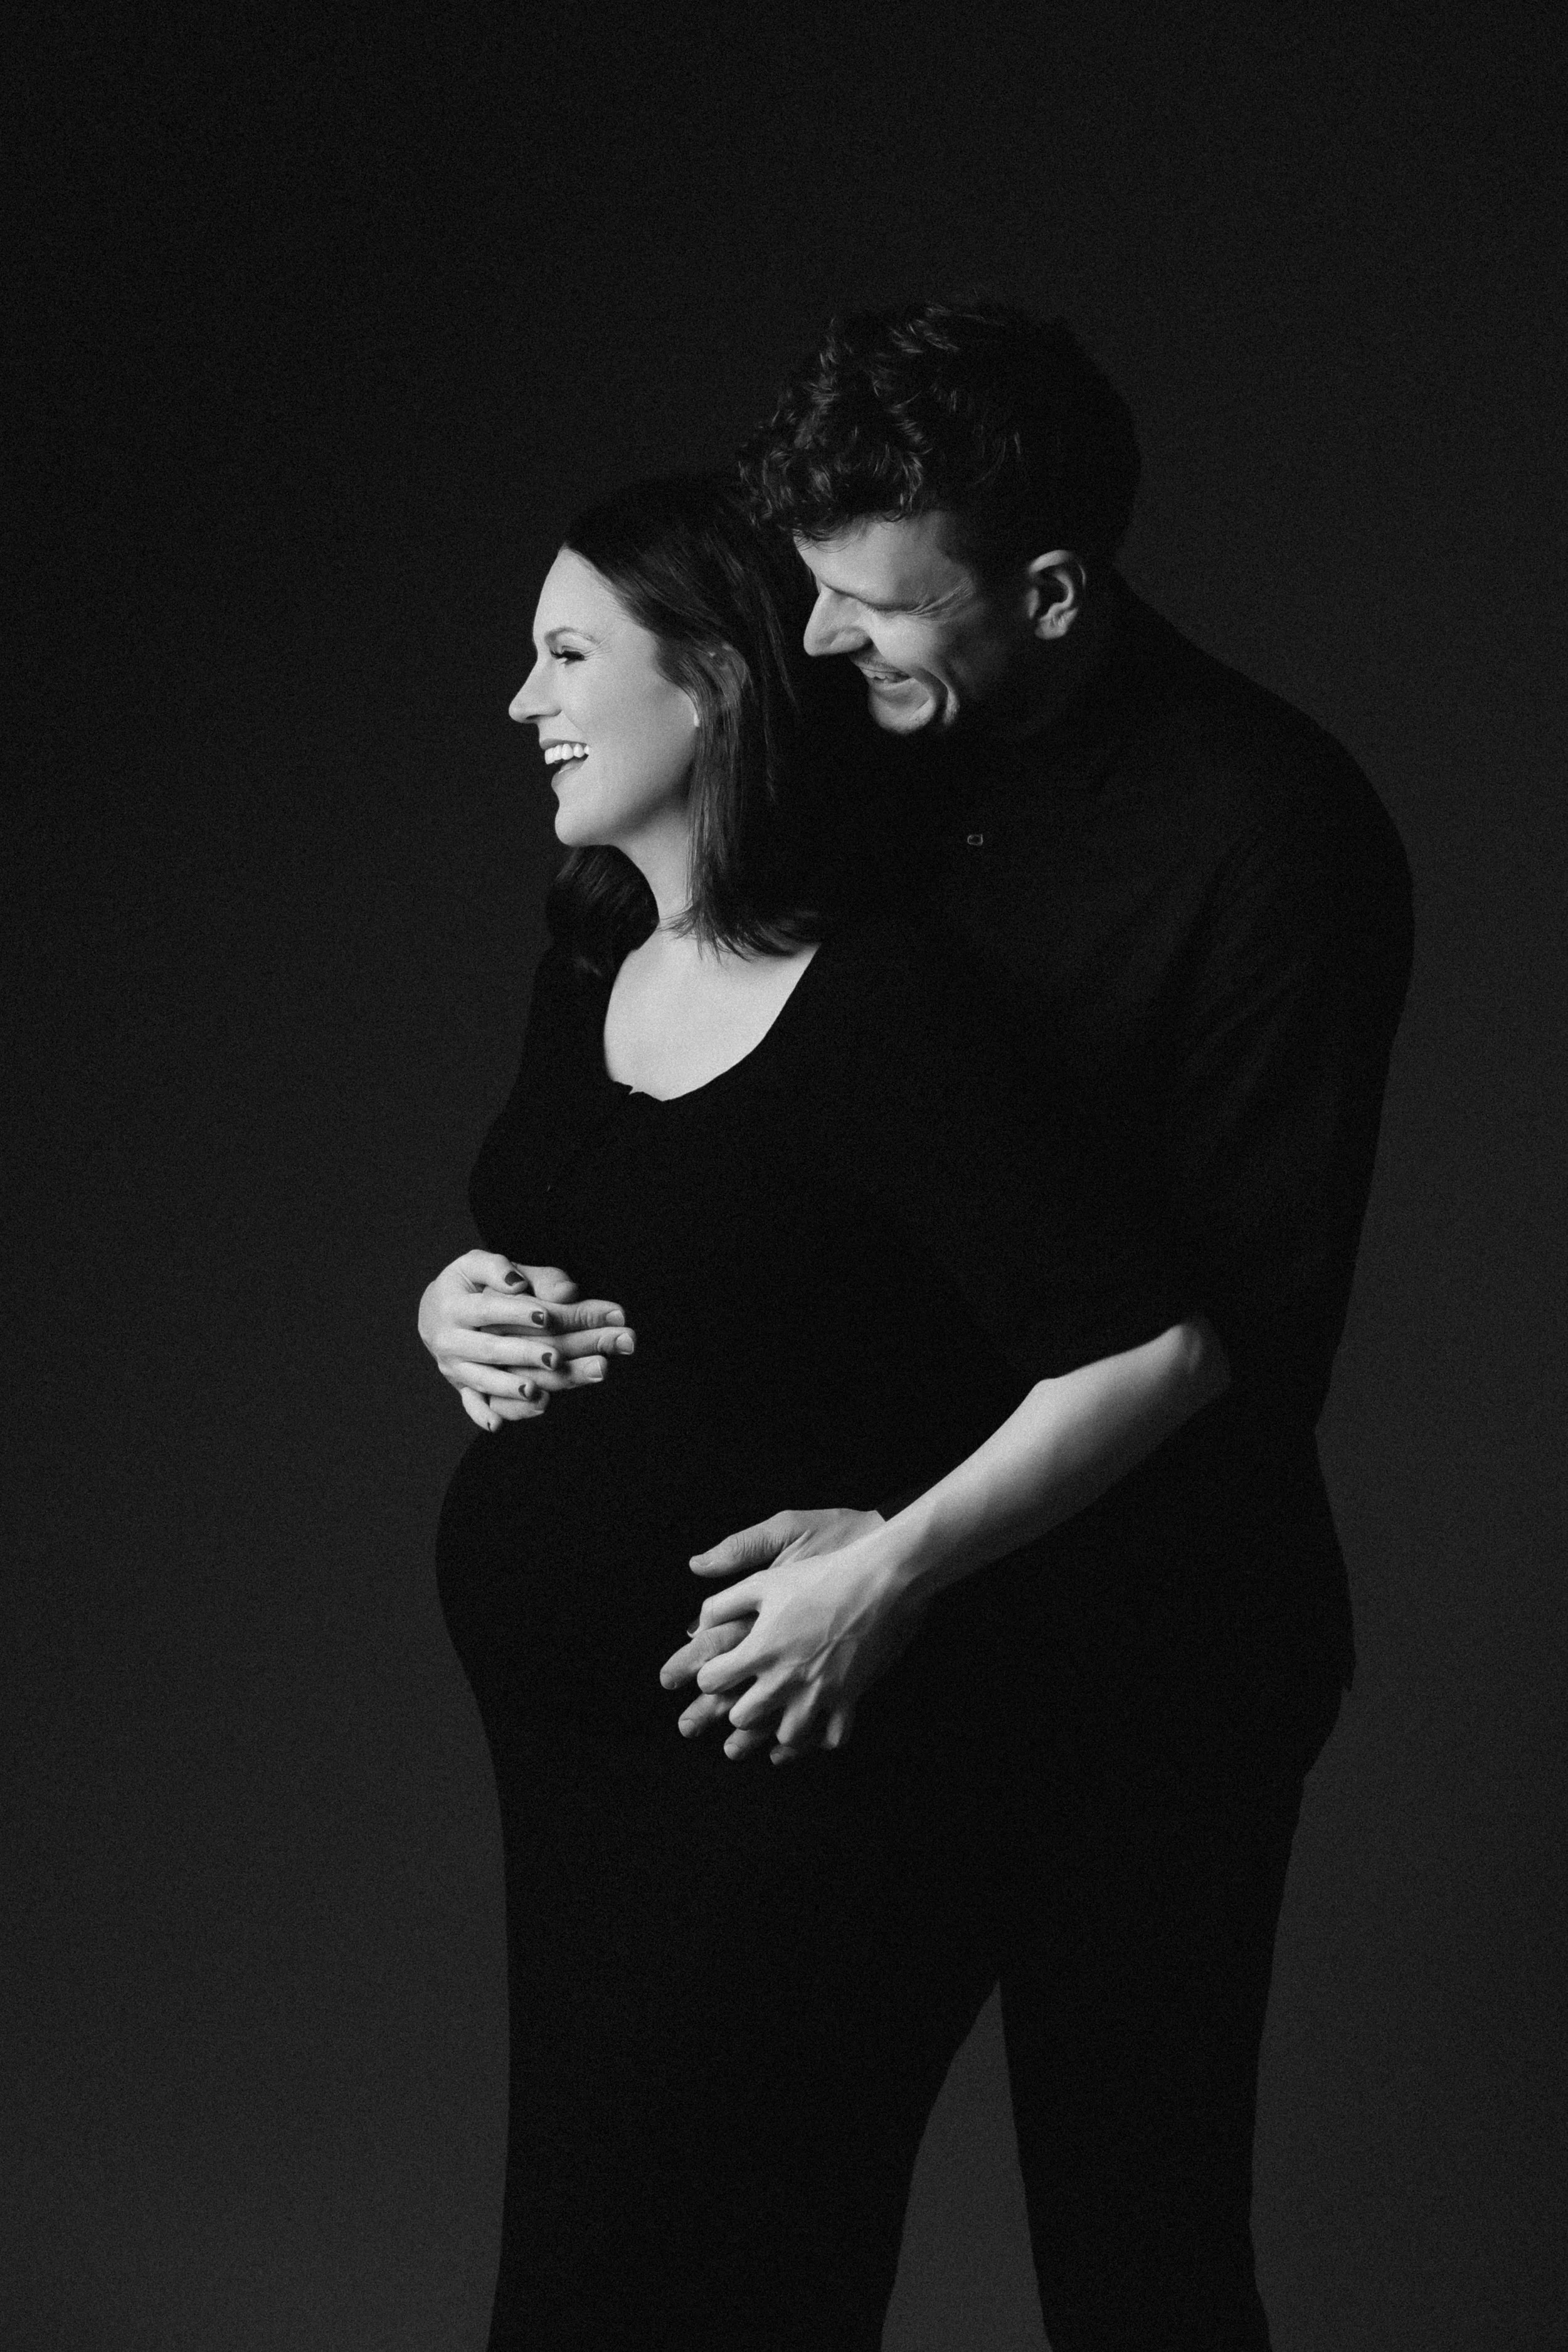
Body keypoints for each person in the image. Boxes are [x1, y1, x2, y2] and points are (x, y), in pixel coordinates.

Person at [653, 303, 1414, 2351]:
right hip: (857, 1645)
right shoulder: (851, 778)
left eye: (865, 603)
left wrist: (897, 1560)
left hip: (1150, 1677)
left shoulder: (1275, 836)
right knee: (755, 2236)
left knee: (1138, 2257)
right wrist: (485, 1270)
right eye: (804, 595)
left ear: (1052, 587)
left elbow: (1232, 1344)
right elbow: (696, 1081)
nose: (815, 648)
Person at [420, 471, 1232, 2349]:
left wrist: (891, 1568)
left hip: (776, 1802)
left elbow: (1154, 1345)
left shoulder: (870, 1009)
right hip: (578, 1791)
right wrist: (444, 1300)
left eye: (564, 655)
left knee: (714, 2278)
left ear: (708, 683)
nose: (521, 702)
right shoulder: (592, 965)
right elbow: (571, 1239)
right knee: (586, 2275)